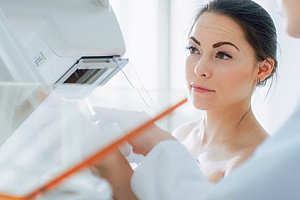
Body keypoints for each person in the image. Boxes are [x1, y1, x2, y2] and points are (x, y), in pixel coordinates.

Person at [94, 0, 279, 199]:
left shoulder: (253, 162)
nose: (199, 69)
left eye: (222, 55)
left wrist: (160, 141)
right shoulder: (183, 134)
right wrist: (109, 159)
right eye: (194, 49)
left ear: (263, 69)